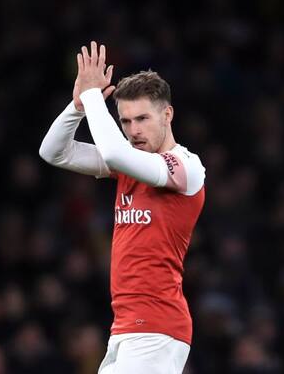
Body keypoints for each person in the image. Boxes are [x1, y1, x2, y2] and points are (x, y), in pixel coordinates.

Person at [39, 41, 206, 374]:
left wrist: (92, 96)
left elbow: (115, 153)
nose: (134, 130)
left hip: (157, 328)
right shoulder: (129, 164)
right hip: (127, 327)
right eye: (126, 121)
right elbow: (53, 152)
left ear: (167, 114)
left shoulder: (187, 167)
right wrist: (78, 106)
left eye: (142, 118)